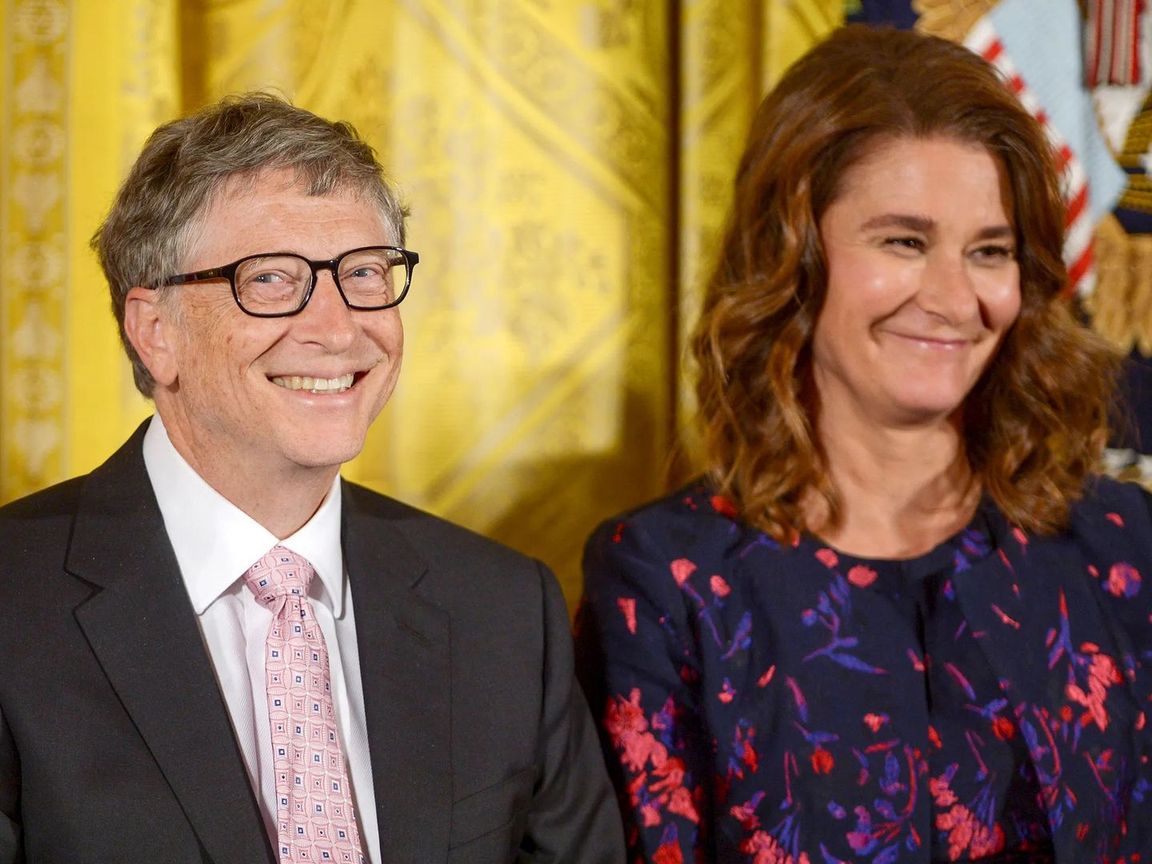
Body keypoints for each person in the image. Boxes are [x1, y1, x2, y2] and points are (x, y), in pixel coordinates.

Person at [575, 25, 1152, 864]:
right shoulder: (666, 581)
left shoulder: (1121, 547)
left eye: (989, 251)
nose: (954, 298)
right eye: (904, 242)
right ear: (793, 254)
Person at [0, 93, 624, 864]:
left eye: (363, 272)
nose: (337, 328)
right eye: (269, 279)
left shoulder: (503, 611)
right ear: (156, 332)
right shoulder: (14, 602)